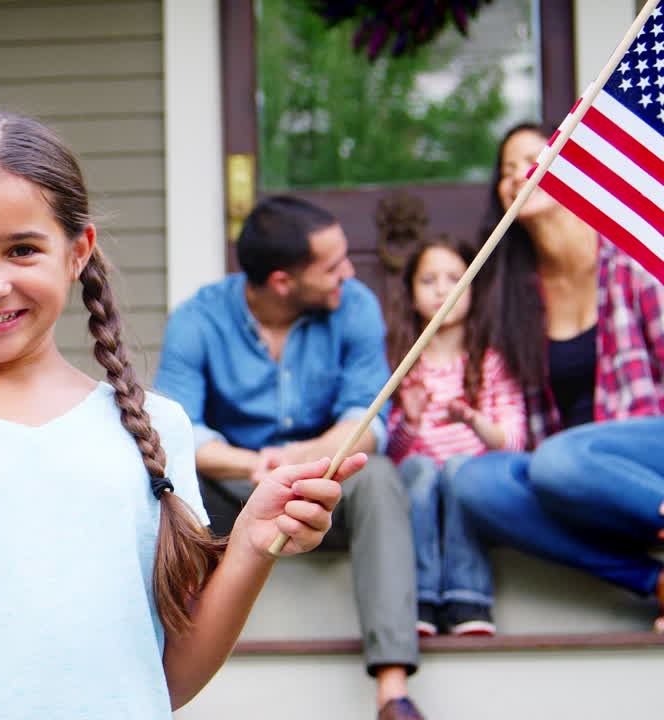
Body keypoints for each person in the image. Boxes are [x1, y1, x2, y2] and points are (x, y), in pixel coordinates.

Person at [0, 110, 365, 719]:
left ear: (78, 252)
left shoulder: (157, 430)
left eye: (22, 249)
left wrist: (253, 547)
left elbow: (167, 681)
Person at [154, 195, 425, 720]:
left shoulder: (356, 305)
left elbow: (364, 425)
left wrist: (294, 459)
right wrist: (253, 465)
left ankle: (393, 691)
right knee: (168, 481)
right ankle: (169, 659)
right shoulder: (198, 318)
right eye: (332, 266)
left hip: (329, 478)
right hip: (233, 493)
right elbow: (177, 432)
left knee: (381, 476)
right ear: (283, 281)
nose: (348, 271)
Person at [447, 122, 664, 634]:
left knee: (560, 458)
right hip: (573, 475)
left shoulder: (630, 260)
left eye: (530, 159)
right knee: (471, 478)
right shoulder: (515, 298)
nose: (515, 176)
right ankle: (655, 582)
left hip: (647, 450)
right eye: (505, 170)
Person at [385, 239, 527, 637]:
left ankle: (469, 596)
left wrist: (473, 420)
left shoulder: (491, 362)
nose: (441, 290)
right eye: (428, 280)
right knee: (421, 468)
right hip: (420, 487)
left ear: (473, 292)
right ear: (411, 295)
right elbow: (390, 456)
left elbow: (514, 443)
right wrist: (409, 420)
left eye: (455, 279)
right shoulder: (402, 363)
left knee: (462, 470)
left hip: (473, 482)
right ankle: (421, 599)